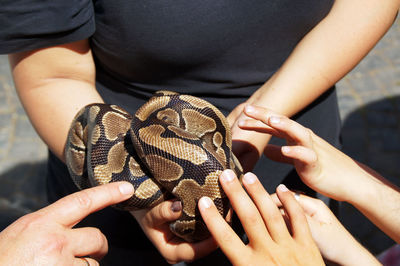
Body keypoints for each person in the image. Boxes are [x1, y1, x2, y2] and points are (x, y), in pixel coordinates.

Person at [1, 0, 399, 264]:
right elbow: (51, 74)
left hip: (292, 175)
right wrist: (139, 199)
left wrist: (263, 114)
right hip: (123, 187)